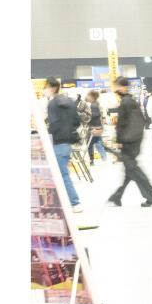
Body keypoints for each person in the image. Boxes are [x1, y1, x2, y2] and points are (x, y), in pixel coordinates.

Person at [109, 76, 152, 207]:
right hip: (134, 140)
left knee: (134, 170)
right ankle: (117, 196)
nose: (115, 89)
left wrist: (119, 140)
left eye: (117, 86)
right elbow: (142, 120)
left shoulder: (125, 102)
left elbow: (122, 124)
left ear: (123, 87)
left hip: (128, 142)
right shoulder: (130, 101)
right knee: (129, 170)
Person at [43, 78, 83, 213]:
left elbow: (54, 125)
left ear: (52, 88)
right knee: (63, 173)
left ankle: (75, 203)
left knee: (62, 175)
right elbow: (77, 121)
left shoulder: (52, 104)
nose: (45, 90)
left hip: (58, 142)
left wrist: (47, 131)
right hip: (68, 142)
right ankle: (65, 203)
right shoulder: (70, 101)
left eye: (46, 87)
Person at [84, 89, 109, 163]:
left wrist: (87, 117)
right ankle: (104, 158)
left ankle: (92, 160)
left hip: (93, 128)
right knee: (98, 143)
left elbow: (94, 116)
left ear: (92, 96)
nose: (87, 97)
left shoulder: (93, 105)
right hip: (98, 127)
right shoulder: (96, 103)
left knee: (90, 144)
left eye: (88, 95)